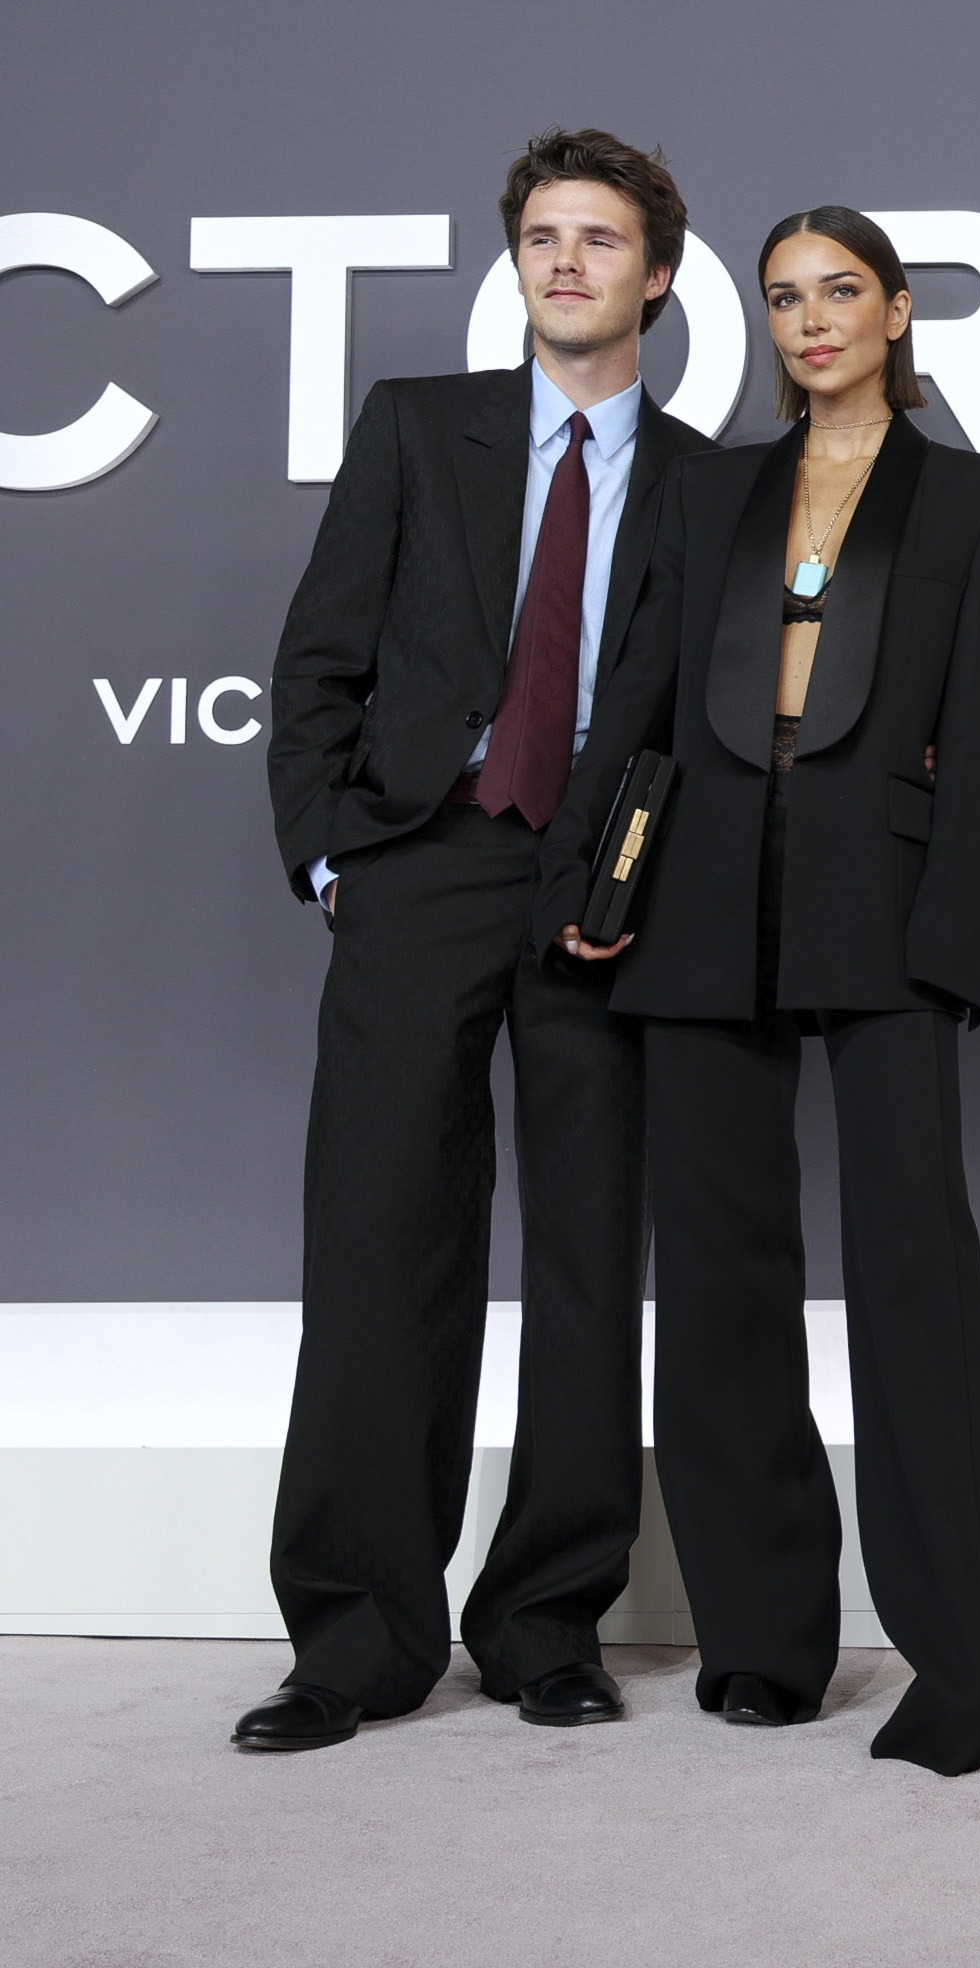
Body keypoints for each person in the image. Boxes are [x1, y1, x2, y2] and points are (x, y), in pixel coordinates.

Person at [536, 206, 980, 1776]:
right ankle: (763, 1646)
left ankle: (964, 1663)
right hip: (694, 901)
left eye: (840, 293)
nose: (810, 320)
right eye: (782, 299)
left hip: (880, 905)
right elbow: (642, 702)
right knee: (721, 1284)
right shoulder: (711, 486)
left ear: (896, 311)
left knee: (913, 1277)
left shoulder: (974, 500)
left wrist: (951, 948)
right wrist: (596, 885)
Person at [241, 131, 712, 1753]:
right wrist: (329, 862)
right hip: (420, 866)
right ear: (516, 263)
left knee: (590, 1266)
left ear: (657, 273)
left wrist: (645, 881)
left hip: (603, 897)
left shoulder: (709, 478)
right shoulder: (415, 430)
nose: (566, 261)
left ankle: (545, 1625)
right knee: (378, 1251)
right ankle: (355, 1642)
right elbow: (317, 662)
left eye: (599, 239)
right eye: (541, 237)